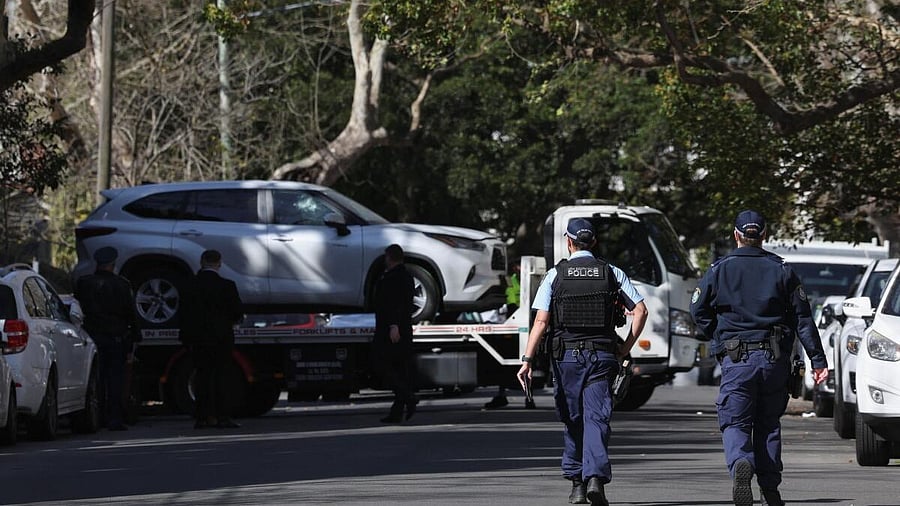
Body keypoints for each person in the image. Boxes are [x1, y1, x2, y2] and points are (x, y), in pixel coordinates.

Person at [690, 210, 828, 506]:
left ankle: (742, 461)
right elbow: (804, 319)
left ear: (736, 234)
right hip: (773, 359)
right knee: (768, 423)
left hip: (737, 359)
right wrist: (818, 361)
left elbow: (698, 311)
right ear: (764, 235)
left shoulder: (719, 269)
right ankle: (770, 489)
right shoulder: (782, 270)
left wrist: (720, 340)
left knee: (735, 421)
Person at [517, 218, 648, 506]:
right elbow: (640, 311)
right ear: (594, 243)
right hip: (602, 356)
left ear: (569, 242)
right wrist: (624, 348)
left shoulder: (555, 275)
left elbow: (541, 320)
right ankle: (595, 479)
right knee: (597, 418)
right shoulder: (611, 273)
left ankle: (577, 482)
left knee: (573, 418)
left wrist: (527, 359)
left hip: (566, 359)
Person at [74, 246, 139, 431]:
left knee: (96, 377)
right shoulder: (122, 284)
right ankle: (114, 418)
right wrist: (136, 335)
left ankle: (97, 416)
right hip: (116, 337)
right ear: (113, 263)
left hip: (92, 336)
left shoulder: (84, 283)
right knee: (115, 378)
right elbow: (130, 313)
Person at [179, 249, 244, 429]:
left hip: (198, 339)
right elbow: (237, 311)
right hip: (221, 338)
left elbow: (183, 314)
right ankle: (223, 416)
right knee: (222, 377)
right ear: (219, 263)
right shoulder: (227, 285)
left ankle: (202, 417)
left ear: (202, 262)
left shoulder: (189, 285)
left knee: (202, 378)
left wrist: (185, 339)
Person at [371, 244, 417, 423]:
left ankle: (407, 396)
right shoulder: (405, 276)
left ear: (390, 258)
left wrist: (393, 325)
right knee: (399, 368)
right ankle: (398, 410)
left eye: (386, 257)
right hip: (399, 327)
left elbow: (397, 303)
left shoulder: (395, 277)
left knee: (381, 364)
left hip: (391, 329)